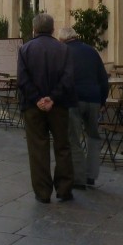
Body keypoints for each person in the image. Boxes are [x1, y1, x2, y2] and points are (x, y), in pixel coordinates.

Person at [17, 13, 75, 203]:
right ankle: (64, 189)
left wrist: (37, 99)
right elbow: (68, 78)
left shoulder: (25, 50)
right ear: (52, 29)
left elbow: (22, 80)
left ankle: (42, 192)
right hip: (58, 106)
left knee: (38, 148)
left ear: (34, 29)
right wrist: (52, 98)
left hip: (33, 108)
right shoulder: (63, 49)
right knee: (63, 146)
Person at [59, 27, 109, 190]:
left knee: (74, 138)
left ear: (62, 39)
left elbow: (60, 78)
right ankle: (91, 175)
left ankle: (78, 178)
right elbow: (103, 78)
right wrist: (102, 101)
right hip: (94, 99)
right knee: (93, 137)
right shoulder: (91, 51)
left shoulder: (63, 52)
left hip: (74, 100)